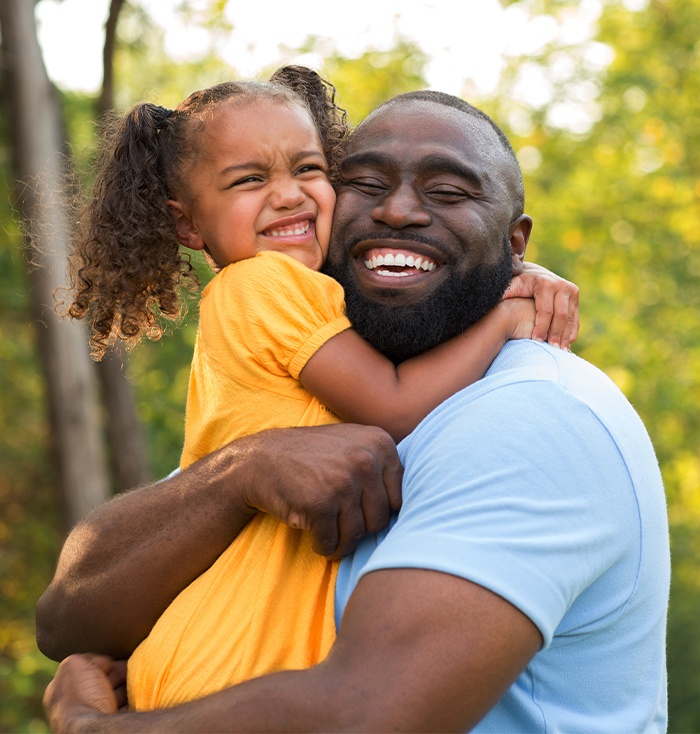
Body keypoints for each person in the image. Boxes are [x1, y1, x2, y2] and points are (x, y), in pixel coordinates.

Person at [40, 88, 669, 733]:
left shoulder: (533, 417)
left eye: (449, 193)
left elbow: (368, 716)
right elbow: (67, 618)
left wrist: (96, 729)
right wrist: (238, 474)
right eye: (363, 183)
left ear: (515, 243)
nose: (397, 211)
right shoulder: (298, 396)